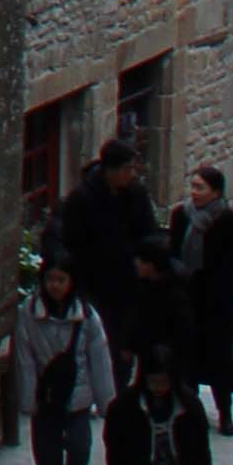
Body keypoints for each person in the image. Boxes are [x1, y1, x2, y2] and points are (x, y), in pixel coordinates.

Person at [59, 130, 166, 384]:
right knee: (104, 340)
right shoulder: (82, 199)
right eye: (127, 169)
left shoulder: (136, 194)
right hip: (97, 284)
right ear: (111, 169)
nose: (132, 174)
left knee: (127, 344)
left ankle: (121, 391)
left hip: (130, 282)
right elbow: (74, 243)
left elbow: (148, 231)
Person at [15, 252, 115, 465]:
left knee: (79, 450)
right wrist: (29, 400)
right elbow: (24, 359)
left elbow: (99, 361)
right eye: (50, 279)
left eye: (61, 279)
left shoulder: (87, 316)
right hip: (46, 401)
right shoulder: (29, 314)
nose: (55, 285)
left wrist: (107, 404)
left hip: (77, 400)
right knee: (48, 460)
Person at [163, 163, 233, 435]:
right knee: (186, 358)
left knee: (219, 359)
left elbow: (230, 264)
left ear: (216, 191)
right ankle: (190, 410)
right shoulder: (181, 215)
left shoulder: (227, 220)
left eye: (201, 188)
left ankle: (225, 414)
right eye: (193, 187)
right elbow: (173, 252)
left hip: (216, 304)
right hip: (185, 299)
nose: (194, 193)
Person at [109, 342, 213, 465]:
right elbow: (115, 452)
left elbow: (201, 453)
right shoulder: (125, 408)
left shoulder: (190, 406)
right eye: (153, 381)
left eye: (163, 381)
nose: (158, 387)